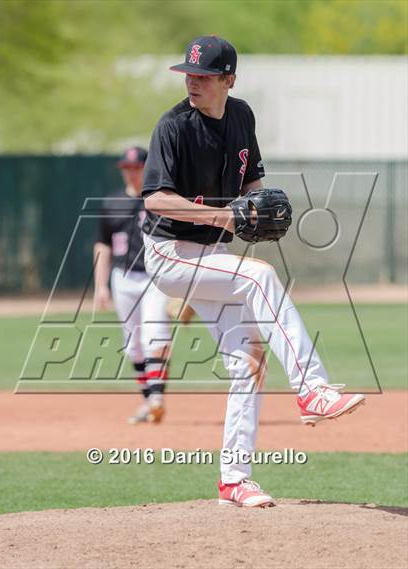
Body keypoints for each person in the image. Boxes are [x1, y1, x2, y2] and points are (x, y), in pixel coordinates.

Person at [141, 36, 366, 507]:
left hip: (211, 256)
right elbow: (156, 198)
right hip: (169, 252)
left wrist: (256, 208)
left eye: (203, 75)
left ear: (229, 80)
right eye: (188, 73)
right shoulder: (173, 126)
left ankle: (234, 479)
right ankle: (312, 390)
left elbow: (253, 183)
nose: (192, 82)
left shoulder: (241, 116)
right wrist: (227, 217)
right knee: (260, 276)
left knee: (248, 362)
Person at [93, 147, 171, 424]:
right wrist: (100, 286)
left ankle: (157, 398)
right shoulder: (111, 202)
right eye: (127, 167)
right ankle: (150, 401)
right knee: (133, 346)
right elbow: (102, 246)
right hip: (122, 278)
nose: (132, 172)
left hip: (155, 277)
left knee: (155, 335)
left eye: (137, 167)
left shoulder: (160, 199)